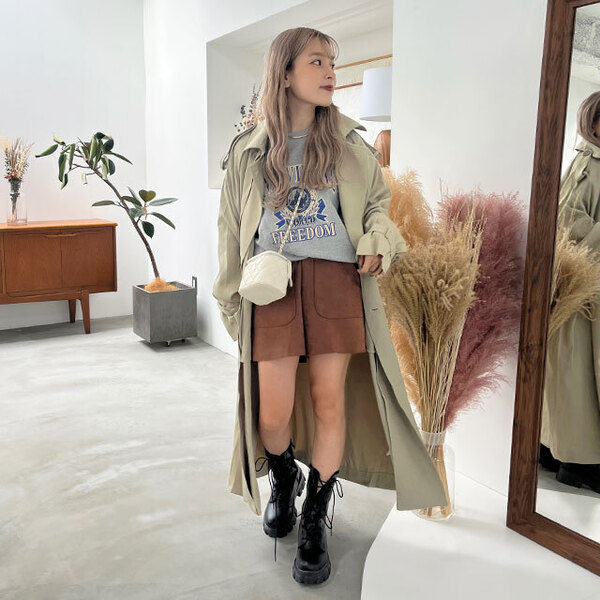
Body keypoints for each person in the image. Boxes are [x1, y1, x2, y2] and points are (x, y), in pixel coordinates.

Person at [213, 26, 426, 586]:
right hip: (272, 287)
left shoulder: (352, 145)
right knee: (271, 415)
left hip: (336, 283)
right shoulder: (249, 150)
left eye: (332, 62)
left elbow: (377, 207)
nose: (331, 72)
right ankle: (285, 477)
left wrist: (377, 237)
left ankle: (314, 516)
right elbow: (230, 231)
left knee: (329, 402)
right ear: (284, 73)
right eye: (317, 62)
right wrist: (229, 301)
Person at [540, 90, 600, 495]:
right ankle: (577, 463)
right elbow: (567, 224)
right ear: (593, 123)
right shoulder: (588, 163)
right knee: (578, 380)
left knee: (576, 378)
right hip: (583, 293)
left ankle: (557, 452)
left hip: (587, 290)